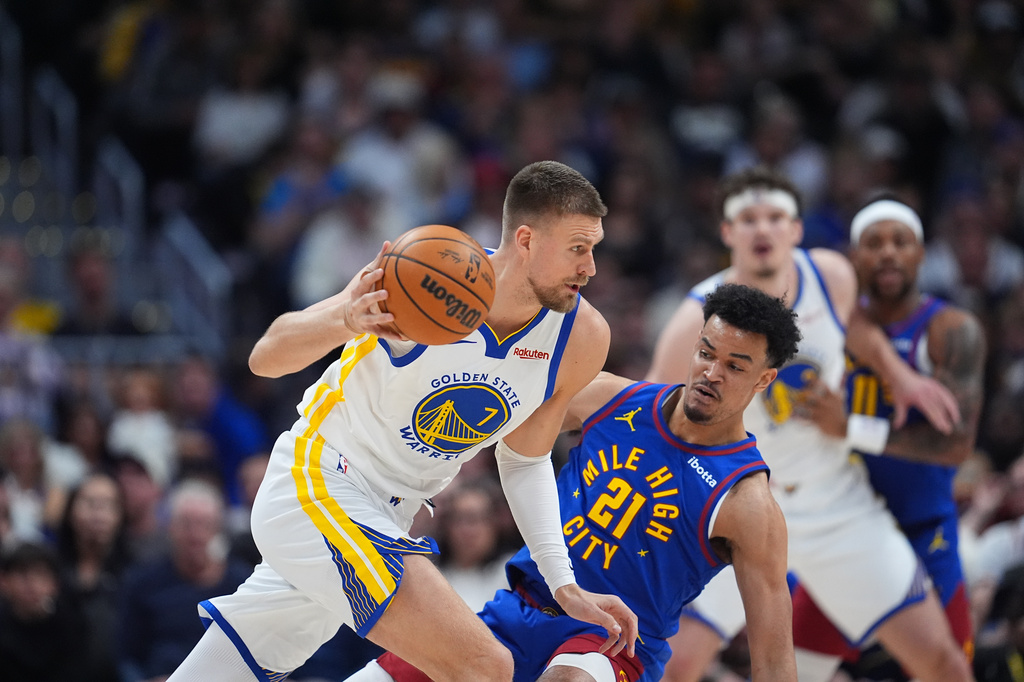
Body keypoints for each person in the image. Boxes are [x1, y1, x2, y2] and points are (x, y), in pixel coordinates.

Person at [166, 160, 638, 682]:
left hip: (391, 514)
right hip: (320, 481)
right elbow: (265, 357)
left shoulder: (581, 336)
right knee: (484, 666)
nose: (591, 267)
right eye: (578, 248)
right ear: (526, 239)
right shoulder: (425, 272)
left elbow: (524, 461)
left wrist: (562, 581)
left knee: (224, 670)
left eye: (593, 248)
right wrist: (343, 318)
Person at [348, 282, 802, 682]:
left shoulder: (748, 502)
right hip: (518, 611)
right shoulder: (611, 399)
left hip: (611, 648)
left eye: (736, 367)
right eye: (707, 352)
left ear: (765, 379)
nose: (712, 372)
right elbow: (498, 415)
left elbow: (774, 661)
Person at [646, 167, 972, 682]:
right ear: (727, 233)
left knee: (942, 662)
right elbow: (652, 417)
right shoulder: (695, 317)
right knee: (671, 664)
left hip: (834, 505)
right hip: (737, 510)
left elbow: (854, 324)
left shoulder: (831, 275)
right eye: (747, 219)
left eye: (775, 217)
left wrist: (899, 373)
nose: (762, 229)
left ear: (796, 229)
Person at [793, 196, 985, 678]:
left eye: (901, 242)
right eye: (873, 243)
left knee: (950, 671)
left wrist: (852, 429)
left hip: (923, 527)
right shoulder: (834, 327)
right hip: (848, 528)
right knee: (789, 669)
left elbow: (955, 445)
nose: (887, 253)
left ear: (922, 253)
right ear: (854, 257)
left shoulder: (951, 330)